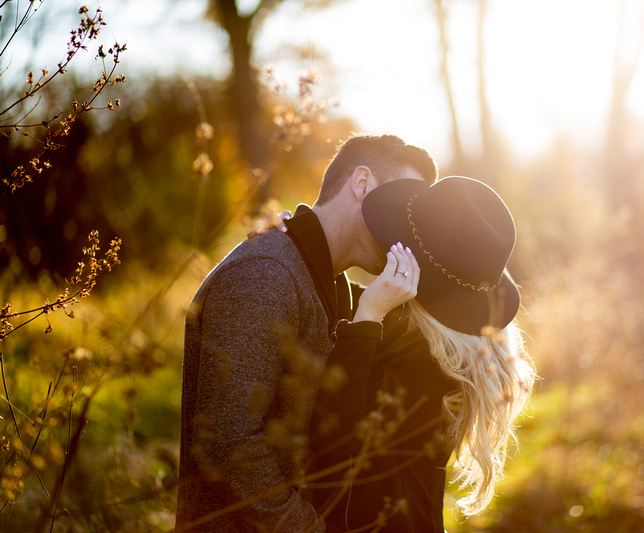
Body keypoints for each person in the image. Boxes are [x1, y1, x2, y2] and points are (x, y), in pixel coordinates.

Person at [176, 134, 437, 532]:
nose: (405, 228)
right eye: (401, 205)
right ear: (362, 183)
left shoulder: (339, 289)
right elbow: (228, 441)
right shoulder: (264, 274)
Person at [307, 176, 537, 532]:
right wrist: (296, 242)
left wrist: (369, 313)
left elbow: (335, 447)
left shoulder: (429, 370)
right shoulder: (424, 334)